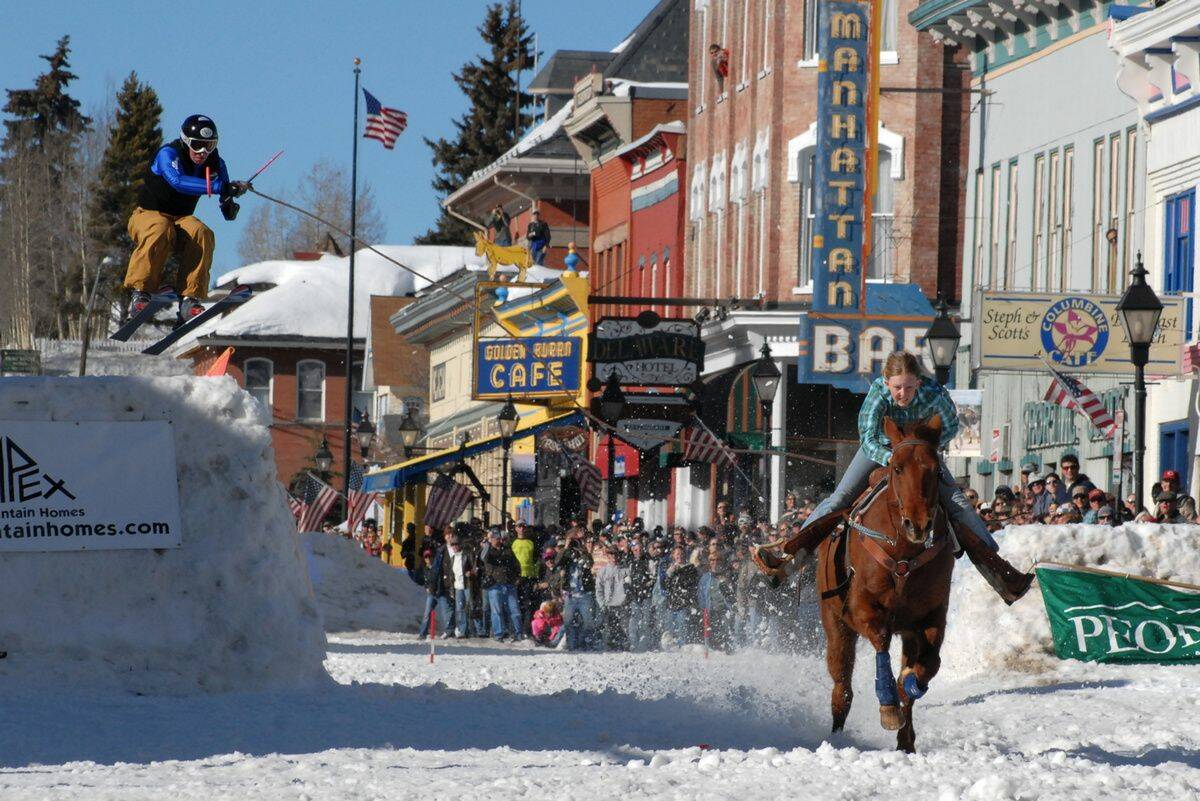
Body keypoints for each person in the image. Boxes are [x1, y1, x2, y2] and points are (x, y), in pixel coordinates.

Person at [755, 351, 1033, 604]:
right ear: (887, 382)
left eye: (909, 387)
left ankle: (999, 569)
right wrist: (891, 456)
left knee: (957, 501)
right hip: (881, 449)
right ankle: (788, 558)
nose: (903, 393)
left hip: (918, 449)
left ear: (919, 383)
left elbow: (950, 426)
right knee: (840, 498)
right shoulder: (878, 393)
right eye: (897, 387)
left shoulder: (935, 393)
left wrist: (923, 446)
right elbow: (867, 436)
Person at [123, 114, 249, 321]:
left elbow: (224, 198)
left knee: (202, 232)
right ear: (185, 141)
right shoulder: (169, 154)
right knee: (160, 228)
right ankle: (141, 293)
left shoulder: (217, 164)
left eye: (209, 145)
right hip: (148, 215)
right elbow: (177, 181)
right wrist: (220, 187)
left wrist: (230, 203)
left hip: (181, 219)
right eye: (197, 145)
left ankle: (190, 298)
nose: (203, 152)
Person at [554, 526, 597, 650]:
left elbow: (589, 564)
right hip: (571, 594)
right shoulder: (567, 554)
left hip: (584, 594)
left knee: (588, 622)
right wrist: (567, 544)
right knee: (568, 623)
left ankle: (585, 645)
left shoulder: (584, 552)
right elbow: (557, 562)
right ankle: (572, 646)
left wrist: (585, 548)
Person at [480, 529, 524, 642]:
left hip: (509, 584)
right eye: (494, 538)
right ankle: (498, 634)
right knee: (496, 611)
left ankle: (518, 634)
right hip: (494, 585)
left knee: (514, 610)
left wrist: (517, 577)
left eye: (498, 538)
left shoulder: (507, 550)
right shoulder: (488, 550)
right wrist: (487, 544)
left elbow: (516, 564)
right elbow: (483, 557)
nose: (497, 540)